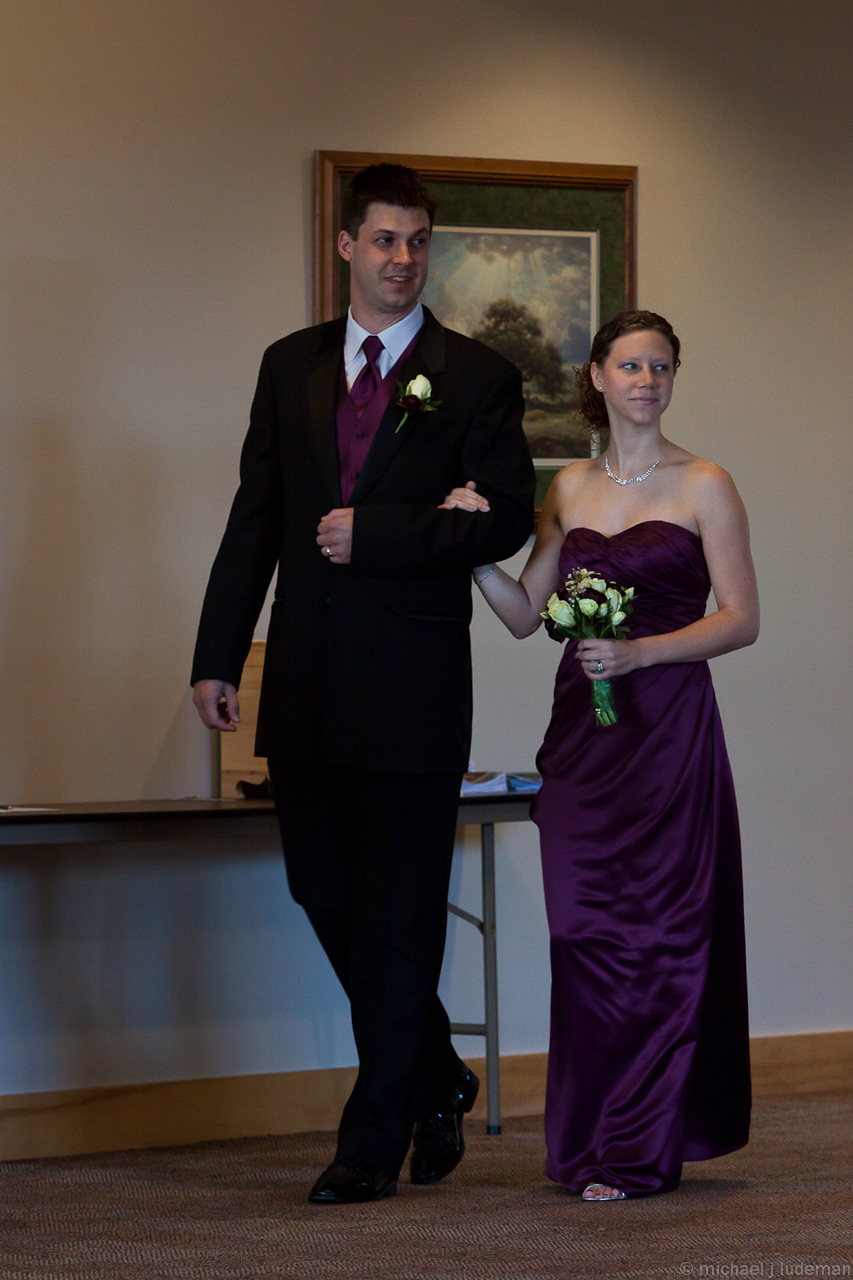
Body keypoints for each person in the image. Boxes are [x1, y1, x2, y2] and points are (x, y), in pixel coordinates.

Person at [191, 163, 535, 1204]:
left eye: (418, 241)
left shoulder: (476, 375)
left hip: (413, 686)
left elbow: (507, 518)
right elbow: (256, 513)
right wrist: (216, 653)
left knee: (399, 911)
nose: (402, 258)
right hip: (303, 678)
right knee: (323, 890)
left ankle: (372, 1137)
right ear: (347, 245)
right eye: (385, 239)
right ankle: (433, 1070)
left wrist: (377, 532)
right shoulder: (288, 364)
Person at [443, 310, 758, 1200]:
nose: (646, 381)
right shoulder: (569, 487)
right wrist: (474, 552)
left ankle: (634, 1149)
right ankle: (590, 1137)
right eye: (630, 366)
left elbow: (742, 618)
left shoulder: (705, 482)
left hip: (668, 736)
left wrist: (641, 653)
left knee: (659, 939)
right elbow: (524, 615)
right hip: (583, 737)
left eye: (661, 367)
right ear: (597, 375)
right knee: (581, 936)